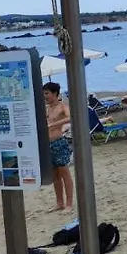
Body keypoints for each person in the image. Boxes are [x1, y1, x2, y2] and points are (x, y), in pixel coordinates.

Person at [43, 82, 74, 211]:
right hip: (47, 144)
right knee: (54, 175)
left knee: (64, 173)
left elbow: (70, 117)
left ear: (54, 93)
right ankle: (59, 202)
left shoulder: (62, 106)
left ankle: (69, 203)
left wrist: (54, 124)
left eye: (47, 93)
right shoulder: (46, 108)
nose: (45, 96)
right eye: (44, 94)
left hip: (58, 142)